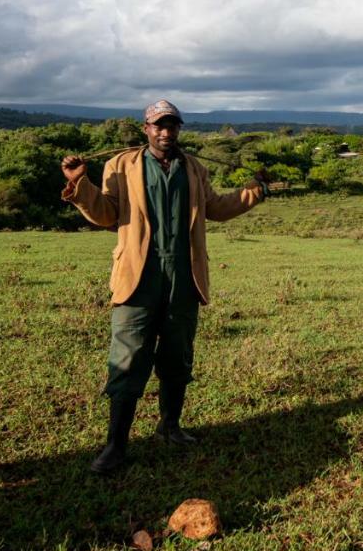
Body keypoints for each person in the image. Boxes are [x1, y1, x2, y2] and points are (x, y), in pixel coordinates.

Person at [60, 100, 268, 474]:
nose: (166, 132)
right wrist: (79, 183)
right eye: (159, 126)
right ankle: (116, 445)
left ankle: (170, 427)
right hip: (137, 278)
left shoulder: (194, 168)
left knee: (178, 356)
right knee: (127, 359)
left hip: (184, 278)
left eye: (172, 126)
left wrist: (255, 191)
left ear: (179, 129)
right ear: (146, 128)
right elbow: (106, 214)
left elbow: (216, 208)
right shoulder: (120, 165)